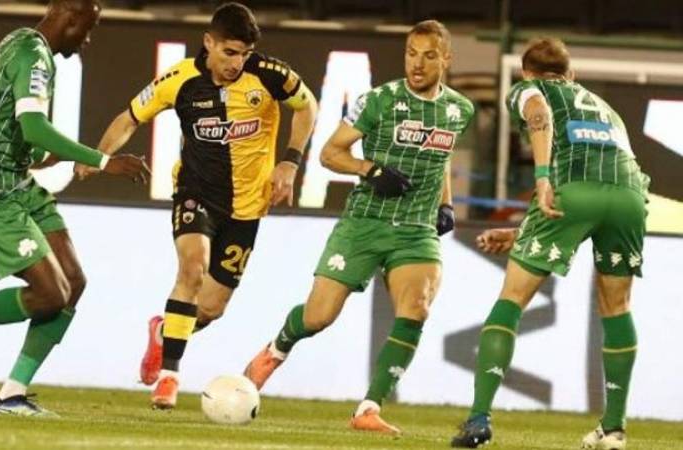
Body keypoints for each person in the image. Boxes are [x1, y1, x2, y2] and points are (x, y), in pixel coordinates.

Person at [0, 0, 150, 417]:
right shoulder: (33, 54)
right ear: (70, 18)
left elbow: (10, 124)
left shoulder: (21, 43)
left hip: (18, 181)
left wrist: (40, 152)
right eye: (89, 28)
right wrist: (104, 160)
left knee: (72, 283)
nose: (88, 39)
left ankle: (11, 394)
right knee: (50, 294)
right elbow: (34, 127)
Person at [78, 2, 317, 409]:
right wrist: (98, 157)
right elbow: (130, 117)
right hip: (196, 192)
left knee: (209, 307)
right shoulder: (179, 79)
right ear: (209, 42)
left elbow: (307, 106)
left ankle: (163, 333)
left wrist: (290, 162)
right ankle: (169, 378)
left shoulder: (269, 74)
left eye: (244, 54)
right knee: (192, 267)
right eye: (229, 52)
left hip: (247, 206)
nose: (237, 63)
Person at [243, 20, 475, 435]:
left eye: (429, 56)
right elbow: (330, 154)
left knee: (417, 308)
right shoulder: (379, 101)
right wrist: (371, 170)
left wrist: (446, 203)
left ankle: (369, 408)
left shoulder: (460, 110)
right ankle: (275, 350)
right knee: (318, 316)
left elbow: (440, 157)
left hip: (416, 229)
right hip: (365, 222)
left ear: (446, 59)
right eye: (411, 54)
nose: (417, 64)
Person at [451, 38, 650, 449]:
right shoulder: (605, 108)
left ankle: (478, 420)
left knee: (512, 299)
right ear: (571, 74)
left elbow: (539, 112)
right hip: (630, 196)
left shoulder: (529, 88)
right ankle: (614, 429)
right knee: (617, 307)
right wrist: (523, 232)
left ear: (526, 72)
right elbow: (603, 178)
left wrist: (542, 177)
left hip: (569, 190)